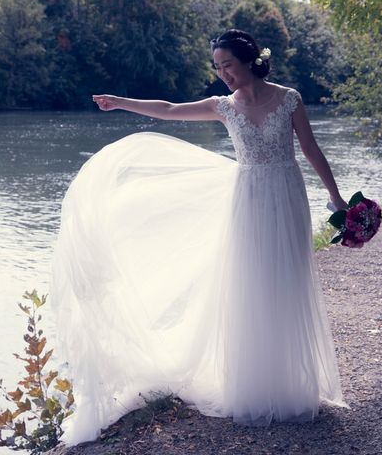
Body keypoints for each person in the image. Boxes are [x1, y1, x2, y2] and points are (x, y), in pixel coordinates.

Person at [50, 29, 349, 446]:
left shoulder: (290, 98)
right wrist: (121, 102)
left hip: (287, 193)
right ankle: (255, 387)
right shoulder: (223, 107)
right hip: (247, 199)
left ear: (249, 61)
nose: (223, 73)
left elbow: (312, 150)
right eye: (217, 67)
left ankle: (293, 385)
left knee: (288, 282)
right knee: (251, 287)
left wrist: (336, 198)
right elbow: (169, 109)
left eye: (227, 64)